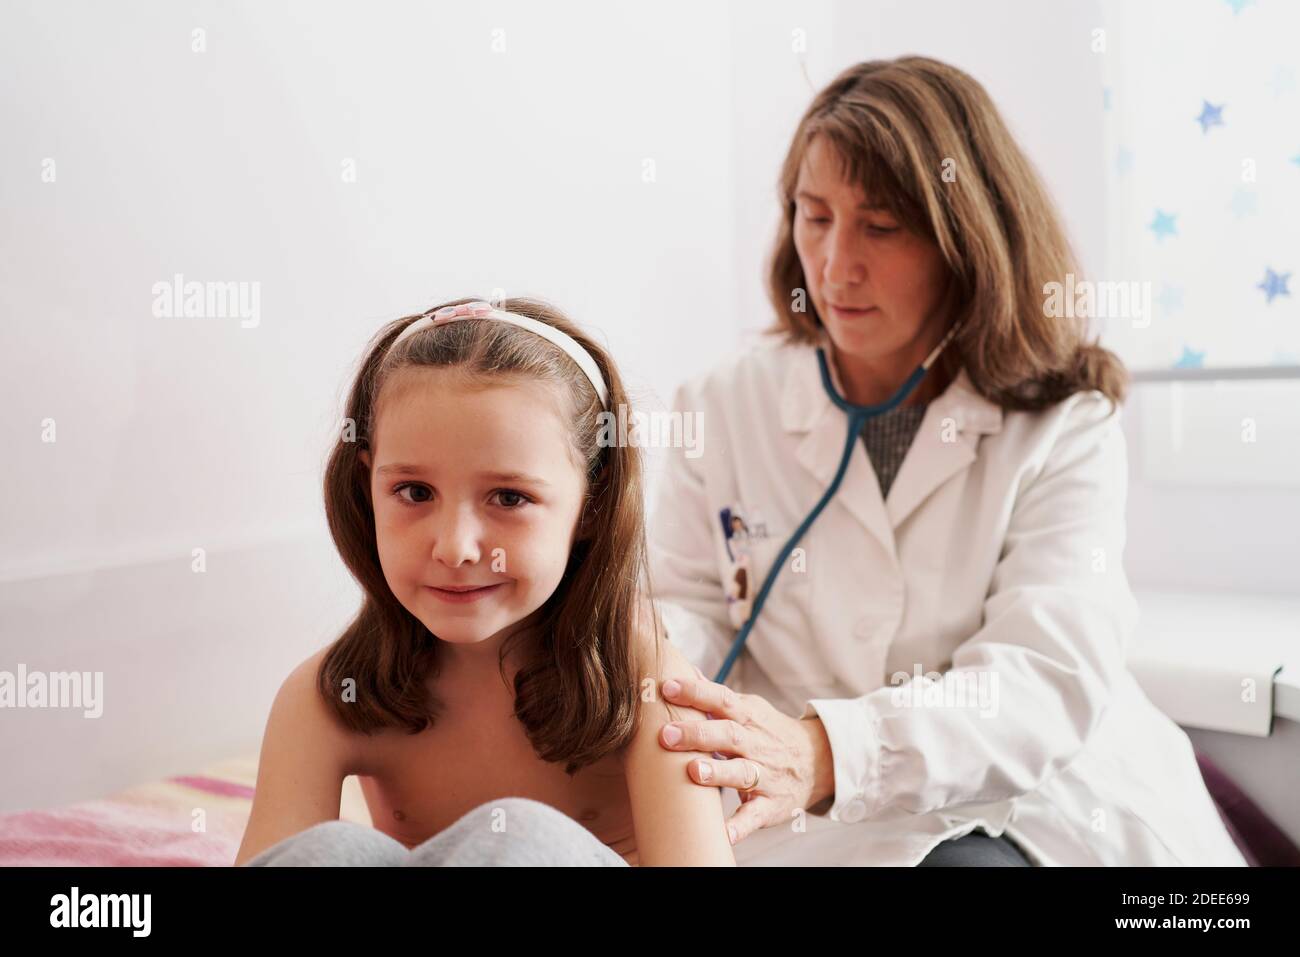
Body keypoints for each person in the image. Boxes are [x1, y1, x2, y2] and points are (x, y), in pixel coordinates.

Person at [644, 56, 1248, 866]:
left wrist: (830, 751)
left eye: (881, 226)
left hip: (1023, 799)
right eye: (814, 216)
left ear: (967, 240)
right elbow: (684, 609)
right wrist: (669, 709)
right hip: (799, 805)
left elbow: (1041, 679)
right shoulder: (723, 406)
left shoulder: (1065, 422)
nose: (835, 266)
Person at [235, 297, 735, 867]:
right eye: (414, 493)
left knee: (519, 841)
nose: (454, 547)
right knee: (329, 852)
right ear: (366, 486)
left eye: (509, 498)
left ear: (592, 506)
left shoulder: (645, 687)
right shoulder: (327, 696)